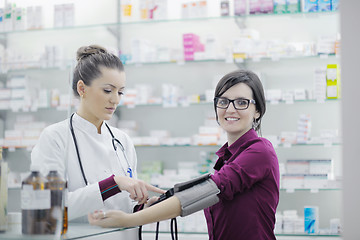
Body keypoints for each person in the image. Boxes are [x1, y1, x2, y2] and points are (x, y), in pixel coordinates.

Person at [88, 69, 280, 240]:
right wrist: (161, 202)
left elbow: (211, 189)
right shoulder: (226, 157)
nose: (230, 109)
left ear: (257, 111)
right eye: (223, 101)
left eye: (241, 102)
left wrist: (131, 220)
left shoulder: (260, 151)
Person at [31, 45, 164, 221]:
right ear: (82, 89)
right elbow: (49, 208)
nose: (115, 99)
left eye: (120, 92)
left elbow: (124, 206)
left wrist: (143, 207)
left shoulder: (122, 140)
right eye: (108, 90)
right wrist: (112, 183)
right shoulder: (55, 137)